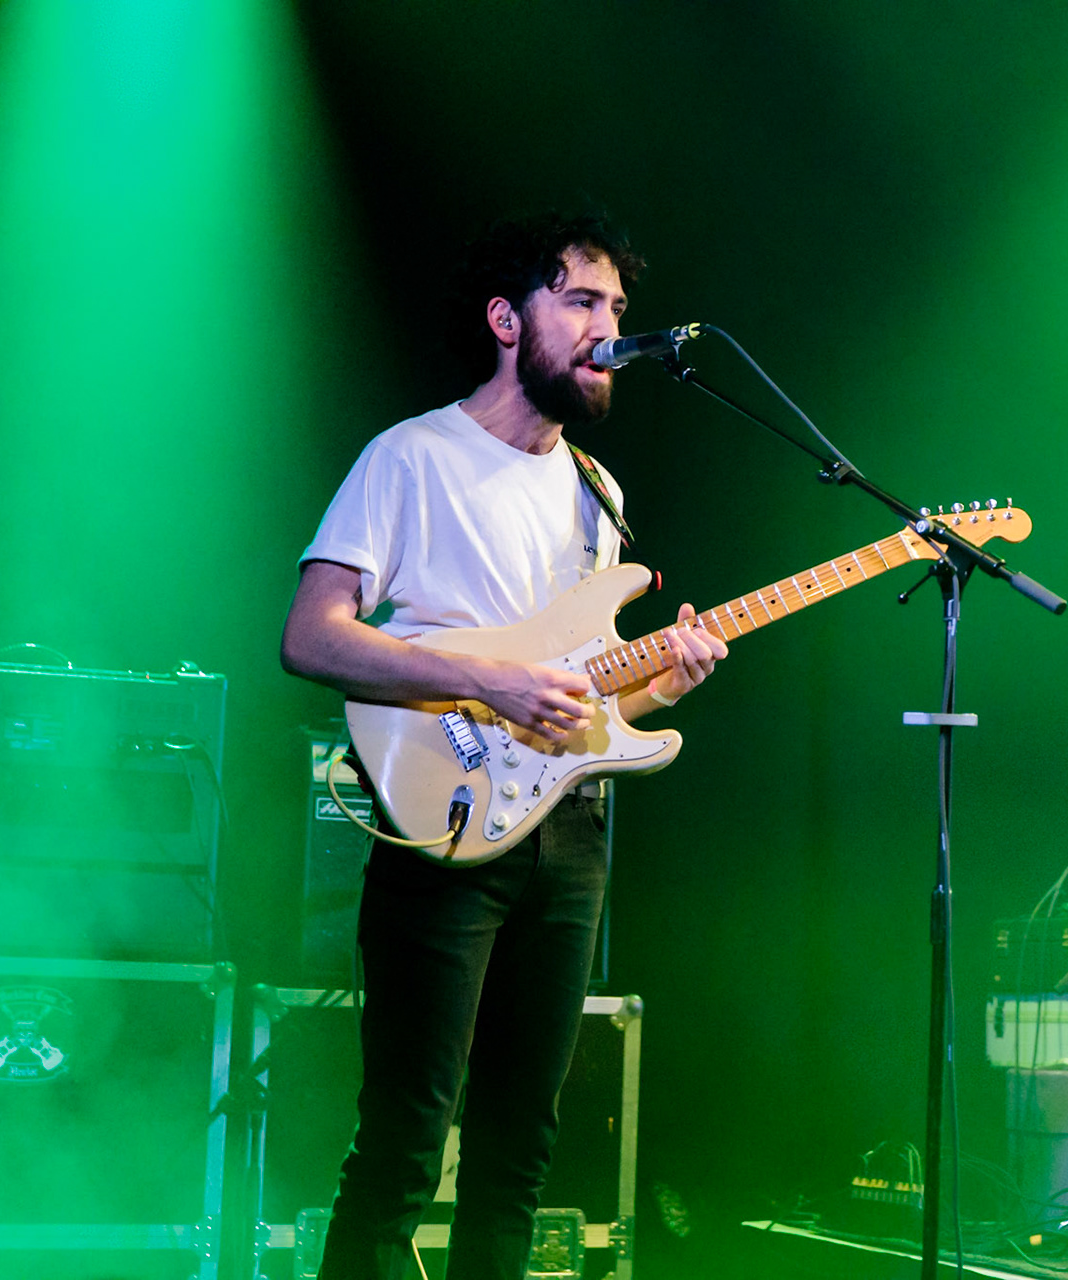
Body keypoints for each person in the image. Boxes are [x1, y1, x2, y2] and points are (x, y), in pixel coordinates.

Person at [280, 212, 727, 1280]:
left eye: (617, 309)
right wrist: (488, 676)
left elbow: (584, 708)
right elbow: (311, 634)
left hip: (569, 840)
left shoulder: (598, 494)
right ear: (505, 318)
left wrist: (660, 682)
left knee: (519, 1161)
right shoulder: (413, 455)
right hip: (441, 819)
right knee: (401, 1149)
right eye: (580, 300)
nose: (606, 327)